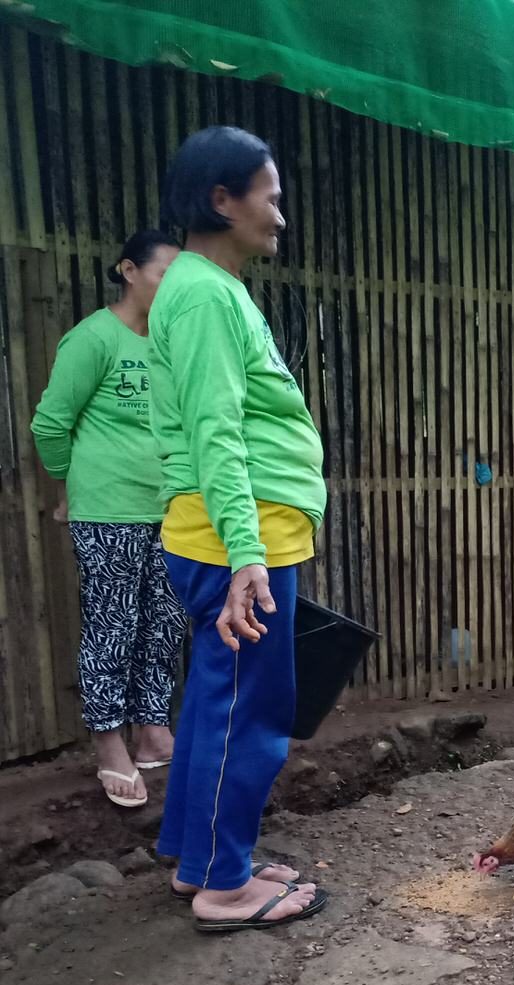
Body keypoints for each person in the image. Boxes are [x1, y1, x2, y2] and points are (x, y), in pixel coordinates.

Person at [150, 125, 329, 932]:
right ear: (222, 199)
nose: (280, 217)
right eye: (271, 197)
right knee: (248, 713)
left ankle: (203, 863)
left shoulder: (203, 290)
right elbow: (215, 433)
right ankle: (228, 889)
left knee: (217, 705)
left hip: (235, 534)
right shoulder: (203, 295)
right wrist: (247, 555)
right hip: (239, 538)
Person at [31, 230, 188, 808]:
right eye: (162, 273)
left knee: (164, 622)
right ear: (128, 270)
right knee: (113, 625)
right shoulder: (93, 338)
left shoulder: (170, 344)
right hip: (109, 510)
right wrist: (72, 487)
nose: (170, 286)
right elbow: (50, 424)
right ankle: (109, 742)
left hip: (168, 508)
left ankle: (152, 729)